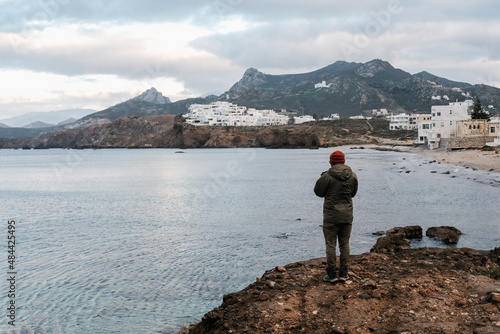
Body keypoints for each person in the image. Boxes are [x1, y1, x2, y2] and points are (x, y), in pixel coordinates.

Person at [314, 150, 358, 283]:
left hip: (331, 216)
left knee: (331, 245)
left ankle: (332, 274)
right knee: (344, 244)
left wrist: (322, 178)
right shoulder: (353, 176)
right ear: (344, 161)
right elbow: (353, 193)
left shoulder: (327, 176)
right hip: (347, 215)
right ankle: (344, 273)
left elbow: (318, 192)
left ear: (331, 162)